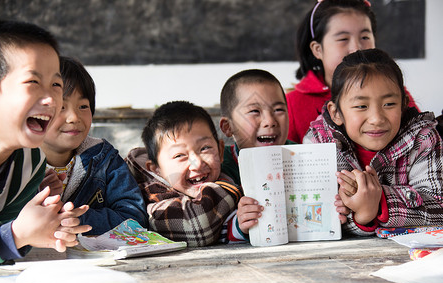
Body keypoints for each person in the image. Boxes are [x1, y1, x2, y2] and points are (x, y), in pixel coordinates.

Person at [304, 48, 443, 236]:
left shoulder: (423, 138)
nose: (377, 118)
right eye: (361, 106)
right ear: (336, 112)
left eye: (389, 104)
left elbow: (438, 208)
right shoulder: (319, 144)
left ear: (404, 104)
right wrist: (362, 216)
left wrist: (379, 202)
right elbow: (319, 219)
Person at [0, 20, 90, 265]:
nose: (50, 99)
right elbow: (9, 235)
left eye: (56, 85)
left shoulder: (32, 162)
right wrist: (15, 234)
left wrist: (42, 229)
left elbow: (4, 247)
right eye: (32, 82)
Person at [40, 56, 148, 235]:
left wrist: (76, 219)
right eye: (61, 107)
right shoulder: (16, 162)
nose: (74, 117)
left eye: (83, 106)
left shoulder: (104, 159)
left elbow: (134, 218)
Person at [286, 0, 419, 143]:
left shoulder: (393, 93)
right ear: (318, 49)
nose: (356, 48)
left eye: (364, 37)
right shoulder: (292, 104)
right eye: (343, 39)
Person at [125, 101, 242, 246]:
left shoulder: (227, 173)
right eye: (180, 155)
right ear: (156, 169)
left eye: (205, 148)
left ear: (220, 150)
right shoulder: (150, 192)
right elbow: (198, 227)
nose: (197, 163)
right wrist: (234, 192)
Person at [219, 69, 308, 241]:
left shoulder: (303, 157)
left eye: (279, 109)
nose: (270, 121)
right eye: (254, 111)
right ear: (227, 127)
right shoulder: (222, 168)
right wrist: (241, 224)